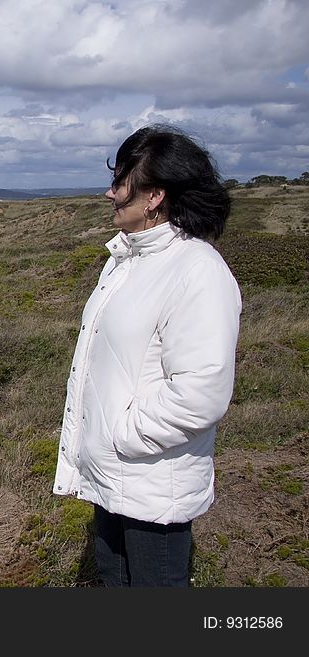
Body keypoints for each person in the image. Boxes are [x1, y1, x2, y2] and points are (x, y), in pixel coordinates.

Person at [53, 124, 242, 587]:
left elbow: (200, 392)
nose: (109, 192)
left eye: (119, 181)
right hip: (113, 477)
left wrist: (124, 437)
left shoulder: (197, 270)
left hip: (151, 483)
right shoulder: (127, 260)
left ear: (154, 196)